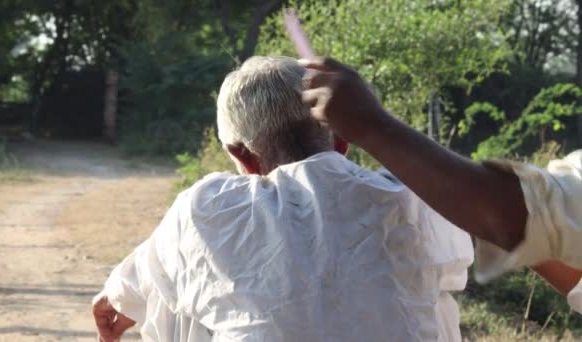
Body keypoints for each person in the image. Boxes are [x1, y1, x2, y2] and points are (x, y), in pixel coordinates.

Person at [92, 56, 473, 342]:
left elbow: (151, 268)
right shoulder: (408, 194)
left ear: (241, 156)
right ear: (342, 142)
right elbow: (455, 269)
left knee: (174, 289)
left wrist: (118, 299)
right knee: (426, 296)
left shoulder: (209, 206)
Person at [298, 56, 582, 311]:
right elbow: (549, 235)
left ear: (250, 162)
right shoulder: (403, 199)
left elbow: (525, 216)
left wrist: (374, 125)